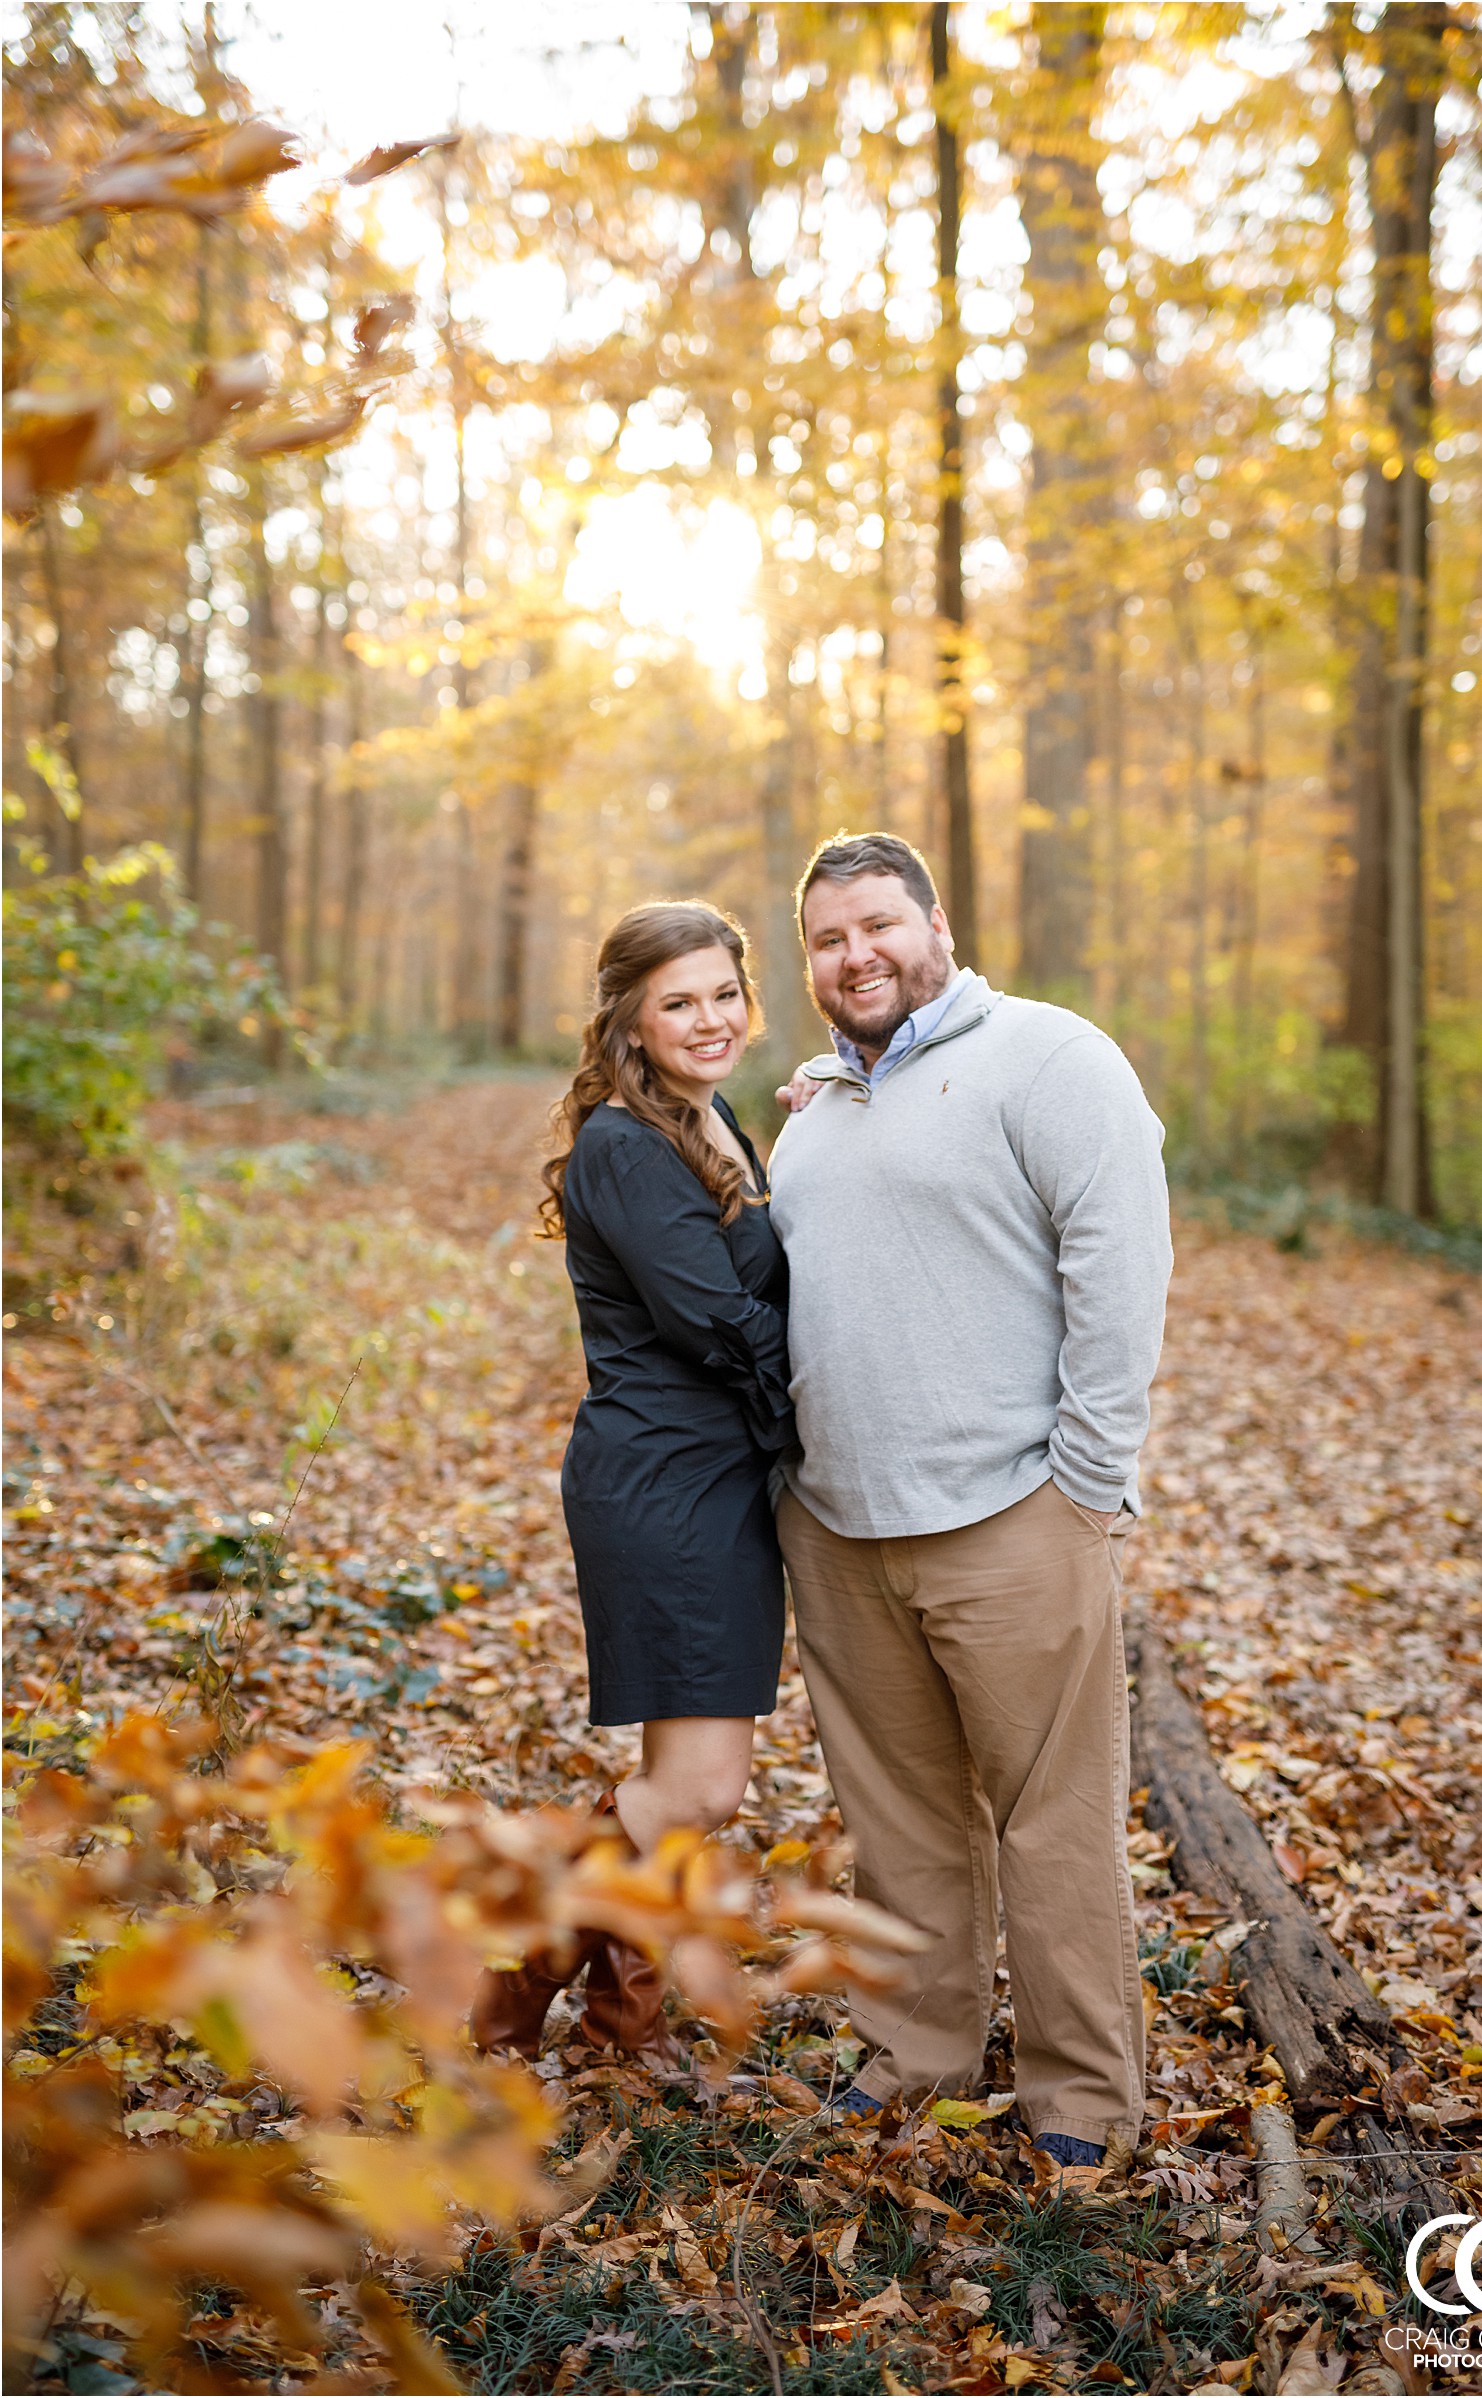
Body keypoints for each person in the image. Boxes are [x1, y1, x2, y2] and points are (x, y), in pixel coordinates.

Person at [767, 832, 1172, 2167]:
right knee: (900, 1826)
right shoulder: (816, 1106)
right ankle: (914, 2054)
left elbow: (1123, 1263)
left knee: (1052, 1826)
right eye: (828, 938)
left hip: (1012, 1520)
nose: (856, 954)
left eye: (879, 924)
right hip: (839, 1529)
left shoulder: (1050, 1057)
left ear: (936, 923)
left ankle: (1083, 2107)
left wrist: (1087, 1484)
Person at [471, 900, 794, 2064]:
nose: (708, 1019)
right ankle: (518, 1993)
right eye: (677, 1001)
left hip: (712, 1477)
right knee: (699, 1789)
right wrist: (835, 1385)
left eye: (722, 994)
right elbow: (716, 1318)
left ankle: (619, 2027)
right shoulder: (624, 1140)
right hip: (666, 1486)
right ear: (630, 1021)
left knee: (680, 1780)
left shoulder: (709, 1124)